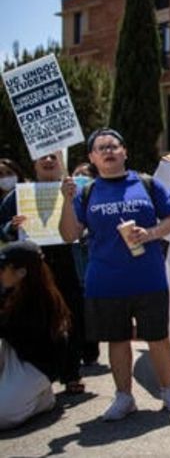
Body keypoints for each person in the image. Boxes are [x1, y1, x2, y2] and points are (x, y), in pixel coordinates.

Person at [57, 128, 170, 421]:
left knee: (158, 338)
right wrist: (66, 201)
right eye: (100, 148)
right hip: (105, 280)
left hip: (148, 276)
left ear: (124, 151)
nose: (108, 151)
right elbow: (69, 234)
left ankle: (169, 390)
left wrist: (150, 233)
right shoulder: (86, 192)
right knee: (117, 340)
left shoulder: (147, 183)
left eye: (113, 145)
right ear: (92, 157)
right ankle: (124, 396)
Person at [1, 153, 87, 394]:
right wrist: (11, 227)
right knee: (36, 316)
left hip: (66, 261)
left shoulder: (74, 191)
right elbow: (2, 226)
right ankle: (37, 373)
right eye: (42, 157)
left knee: (70, 315)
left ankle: (72, 372)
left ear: (61, 161)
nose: (48, 160)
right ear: (33, 163)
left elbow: (85, 223)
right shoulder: (18, 195)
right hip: (31, 268)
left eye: (53, 156)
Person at [0, 241, 70, 429]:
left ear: (21, 272)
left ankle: (40, 399)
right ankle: (30, 397)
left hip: (37, 365)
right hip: (15, 354)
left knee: (3, 416)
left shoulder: (40, 302)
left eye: (3, 268)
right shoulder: (10, 291)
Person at [68, 161, 101, 367]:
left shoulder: (96, 197)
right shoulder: (65, 199)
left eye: (86, 175)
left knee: (88, 311)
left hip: (90, 266)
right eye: (77, 174)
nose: (81, 178)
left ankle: (90, 350)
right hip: (71, 264)